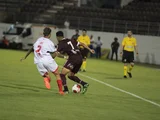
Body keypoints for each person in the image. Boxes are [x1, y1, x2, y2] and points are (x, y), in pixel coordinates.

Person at [20, 27, 64, 95]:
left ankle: (47, 79)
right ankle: (61, 91)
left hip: (38, 62)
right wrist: (64, 56)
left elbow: (32, 48)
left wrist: (25, 57)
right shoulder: (50, 42)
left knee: (46, 76)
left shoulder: (39, 40)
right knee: (57, 74)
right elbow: (56, 53)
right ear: (49, 34)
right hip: (47, 60)